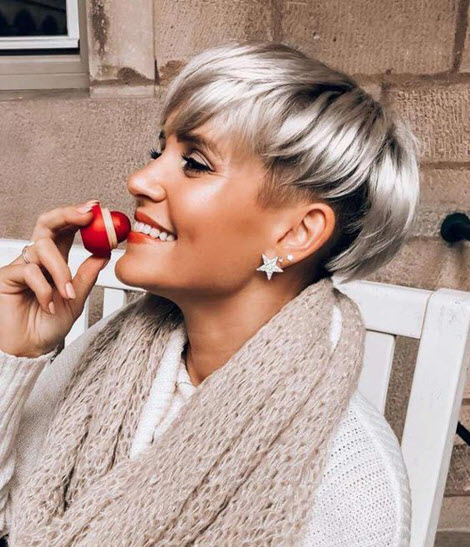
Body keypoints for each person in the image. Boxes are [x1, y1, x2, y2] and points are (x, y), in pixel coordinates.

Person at [0, 40, 419, 546]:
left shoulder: (353, 488)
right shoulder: (99, 361)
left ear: (295, 234)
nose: (139, 180)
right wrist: (14, 353)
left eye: (195, 163)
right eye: (159, 151)